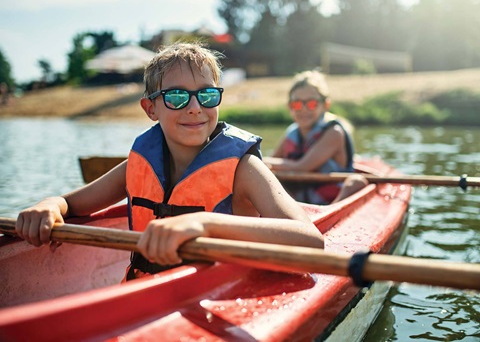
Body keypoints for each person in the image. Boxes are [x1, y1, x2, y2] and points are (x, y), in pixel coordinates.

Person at [15, 42, 324, 281]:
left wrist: (203, 222)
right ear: (151, 108)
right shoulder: (139, 163)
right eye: (177, 97)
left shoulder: (243, 168)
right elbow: (73, 204)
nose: (194, 108)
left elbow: (310, 241)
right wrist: (50, 205)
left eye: (207, 96)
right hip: (146, 293)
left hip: (220, 293)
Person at [263, 70, 367, 205]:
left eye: (311, 103)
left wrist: (262, 161)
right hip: (300, 198)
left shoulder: (334, 133)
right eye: (297, 104)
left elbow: (301, 167)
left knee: (355, 183)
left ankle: (332, 211)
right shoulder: (292, 132)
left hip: (331, 199)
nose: (303, 109)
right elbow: (274, 160)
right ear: (290, 106)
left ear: (325, 105)